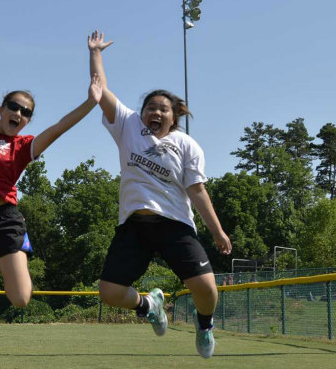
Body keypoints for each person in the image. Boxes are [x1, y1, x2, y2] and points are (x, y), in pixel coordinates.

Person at [88, 30, 232, 358]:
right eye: (150, 107)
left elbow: (197, 190)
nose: (155, 112)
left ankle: (205, 325)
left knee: (206, 289)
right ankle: (148, 305)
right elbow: (101, 90)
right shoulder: (127, 126)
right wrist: (95, 53)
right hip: (134, 226)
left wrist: (217, 231)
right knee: (109, 292)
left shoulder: (186, 145)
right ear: (141, 114)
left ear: (173, 117)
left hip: (174, 225)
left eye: (163, 109)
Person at [0, 24, 102, 317]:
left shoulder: (25, 146)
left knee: (20, 298)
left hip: (4, 219)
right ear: (2, 108)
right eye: (13, 106)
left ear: (27, 121)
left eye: (26, 112)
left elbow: (59, 127)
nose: (18, 113)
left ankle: (10, 258)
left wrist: (91, 102)